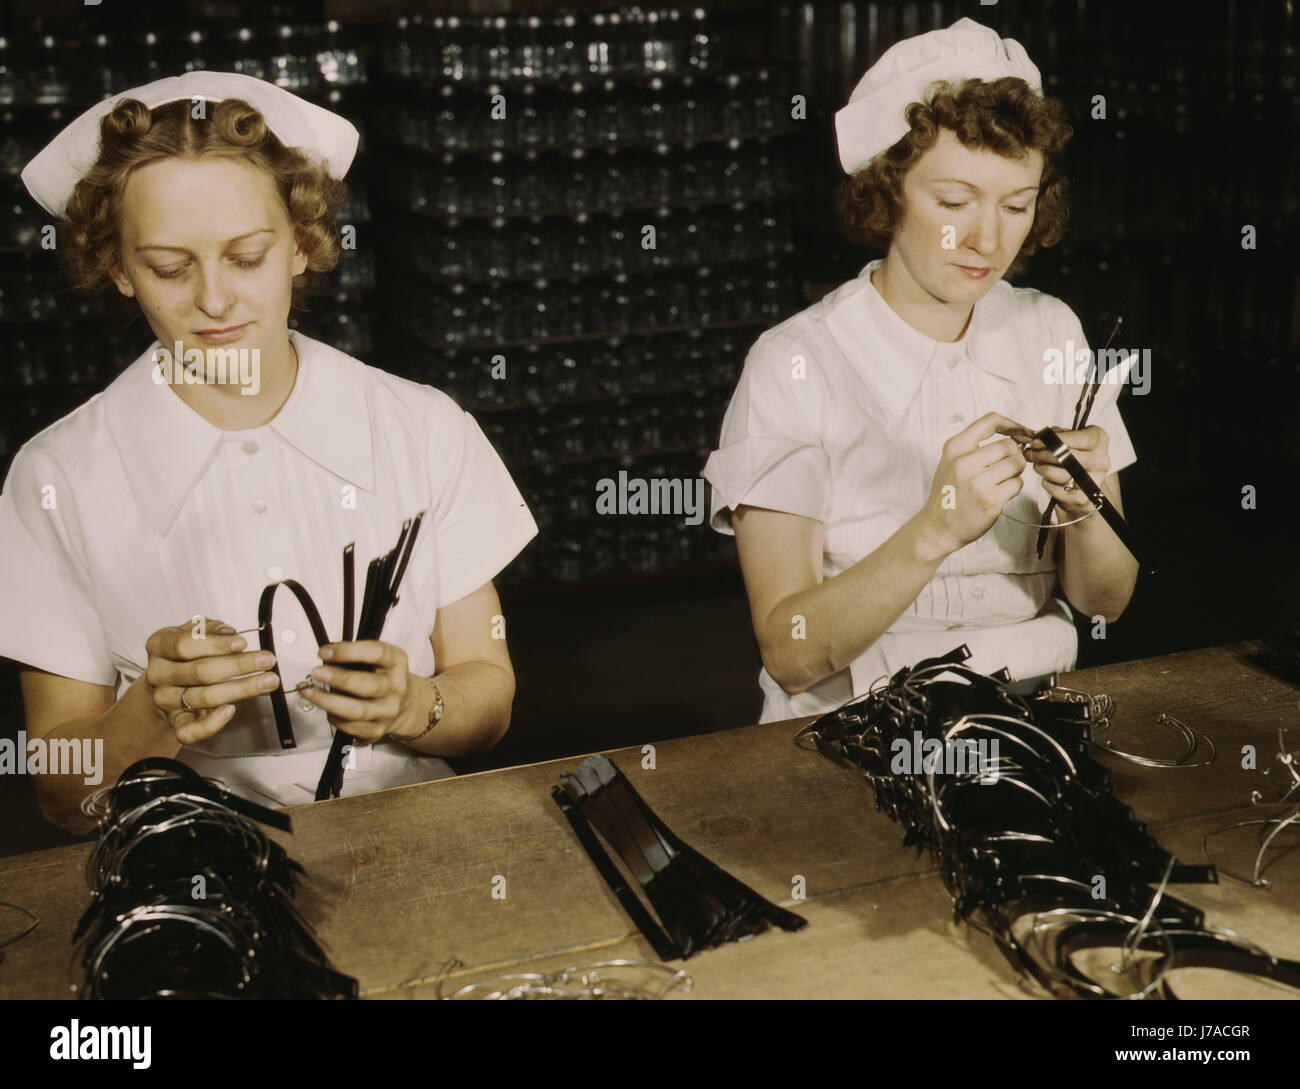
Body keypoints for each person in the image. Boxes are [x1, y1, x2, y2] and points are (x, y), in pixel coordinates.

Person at [1, 72, 538, 828]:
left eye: (246, 256)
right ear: (119, 269)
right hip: (184, 850)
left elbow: (490, 695)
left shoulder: (422, 427)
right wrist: (146, 716)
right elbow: (62, 795)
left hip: (411, 834)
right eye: (168, 267)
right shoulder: (54, 476)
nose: (214, 301)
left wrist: (418, 702)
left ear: (302, 243)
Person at [702, 18, 1139, 723]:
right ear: (888, 190)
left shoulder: (1051, 330)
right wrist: (935, 528)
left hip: (1035, 715)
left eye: (1015, 205)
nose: (986, 238)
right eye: (953, 203)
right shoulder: (795, 363)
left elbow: (1105, 601)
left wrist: (1087, 508)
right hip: (857, 724)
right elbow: (789, 650)